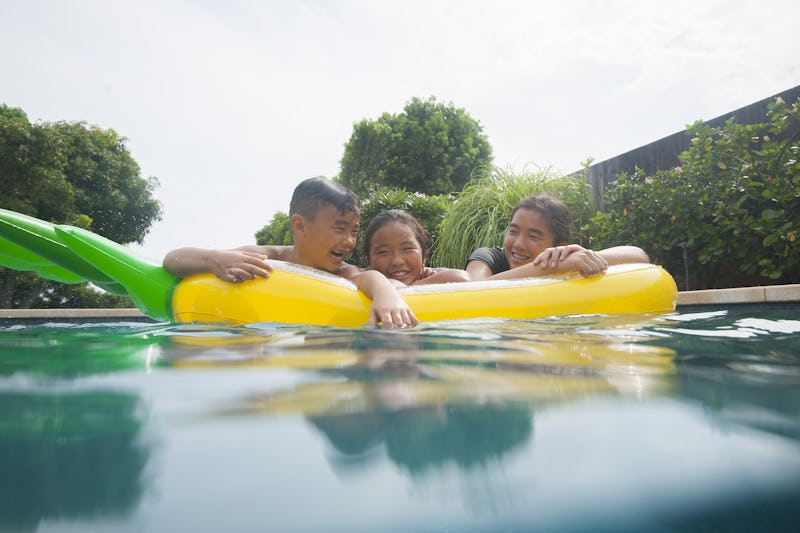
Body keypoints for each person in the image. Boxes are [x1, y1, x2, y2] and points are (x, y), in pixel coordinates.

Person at [163, 177, 418, 328]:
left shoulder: (342, 271)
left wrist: (386, 294)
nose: (349, 241)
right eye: (340, 229)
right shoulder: (268, 256)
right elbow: (172, 259)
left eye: (353, 231)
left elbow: (368, 278)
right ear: (299, 225)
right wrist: (213, 258)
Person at [466, 194, 650, 281]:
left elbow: (639, 256)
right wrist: (557, 267)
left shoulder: (567, 257)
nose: (518, 244)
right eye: (513, 231)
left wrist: (573, 258)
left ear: (558, 245)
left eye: (533, 236)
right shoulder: (490, 257)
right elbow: (473, 288)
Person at [362, 209, 471, 286]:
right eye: (383, 252)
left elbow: (463, 278)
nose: (397, 261)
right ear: (368, 260)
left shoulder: (432, 275)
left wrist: (418, 284)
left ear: (423, 256)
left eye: (407, 249)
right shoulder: (363, 279)